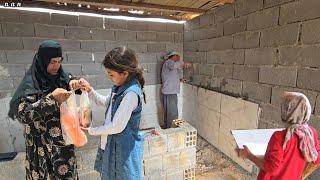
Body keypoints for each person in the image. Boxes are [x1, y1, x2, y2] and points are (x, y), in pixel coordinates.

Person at [8, 40, 82, 179]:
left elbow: (69, 79)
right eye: (52, 62)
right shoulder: (31, 83)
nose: (56, 66)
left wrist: (75, 83)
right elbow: (23, 114)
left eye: (59, 61)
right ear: (43, 60)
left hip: (63, 147)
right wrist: (51, 99)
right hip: (41, 148)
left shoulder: (60, 76)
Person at [80, 47, 145, 180]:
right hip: (111, 144)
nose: (109, 77)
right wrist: (90, 91)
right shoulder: (119, 87)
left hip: (123, 148)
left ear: (125, 73)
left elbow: (117, 126)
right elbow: (106, 102)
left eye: (111, 74)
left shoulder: (131, 93)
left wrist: (91, 130)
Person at [237, 92, 320, 180]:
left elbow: (272, 169)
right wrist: (302, 174)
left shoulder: (279, 137)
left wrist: (248, 155)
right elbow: (317, 159)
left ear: (287, 112)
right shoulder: (311, 134)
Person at [161, 51, 191, 129]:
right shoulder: (169, 62)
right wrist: (184, 63)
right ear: (174, 56)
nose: (179, 59)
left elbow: (170, 77)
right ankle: (172, 130)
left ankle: (168, 128)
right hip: (170, 92)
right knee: (172, 112)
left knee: (169, 112)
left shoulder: (169, 64)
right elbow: (174, 66)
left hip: (169, 91)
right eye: (178, 57)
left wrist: (180, 79)